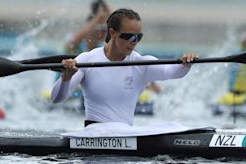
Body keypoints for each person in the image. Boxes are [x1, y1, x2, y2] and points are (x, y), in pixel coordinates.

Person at [51, 8, 197, 126]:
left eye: (138, 37)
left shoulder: (141, 63)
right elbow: (57, 98)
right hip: (94, 135)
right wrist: (66, 78)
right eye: (130, 37)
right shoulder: (86, 59)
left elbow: (171, 71)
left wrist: (185, 65)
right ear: (113, 33)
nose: (134, 42)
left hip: (124, 136)